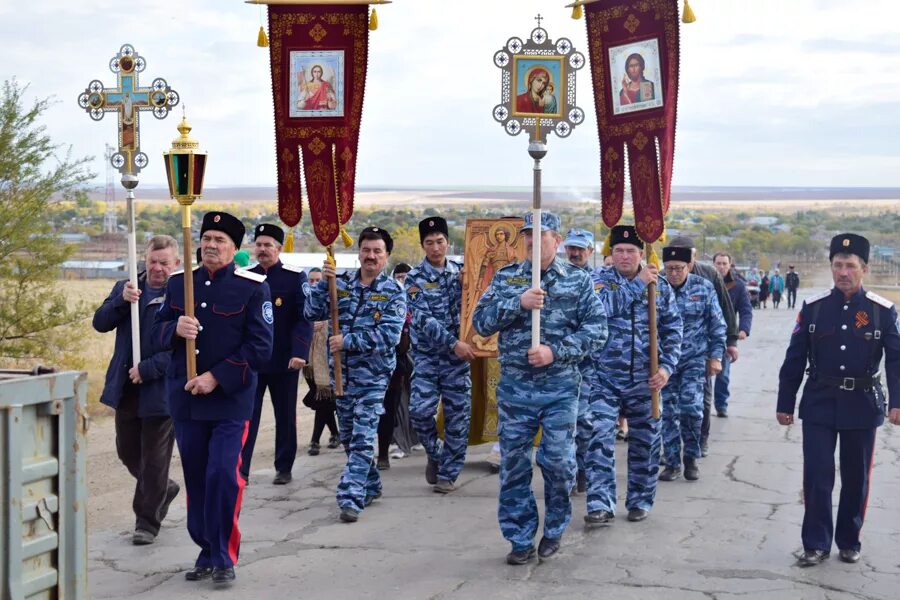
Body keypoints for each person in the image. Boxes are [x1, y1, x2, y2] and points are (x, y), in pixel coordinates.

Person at [473, 211, 607, 565]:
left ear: (557, 241)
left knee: (559, 463)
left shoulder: (578, 281)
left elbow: (597, 331)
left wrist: (554, 351)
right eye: (527, 235)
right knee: (515, 465)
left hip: (560, 387)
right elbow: (481, 323)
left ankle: (555, 527)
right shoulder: (506, 279)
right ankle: (519, 537)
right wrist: (517, 303)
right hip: (516, 387)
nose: (532, 241)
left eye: (541, 234)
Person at [152, 211, 273, 585]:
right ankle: (205, 549)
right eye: (206, 238)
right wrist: (175, 328)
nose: (211, 245)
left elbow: (261, 348)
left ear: (235, 248)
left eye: (220, 240)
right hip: (187, 399)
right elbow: (153, 334)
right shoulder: (179, 285)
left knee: (223, 474)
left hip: (230, 401)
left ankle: (224, 555)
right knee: (198, 477)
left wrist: (215, 377)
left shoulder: (253, 287)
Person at [776, 233, 900, 567]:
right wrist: (785, 402)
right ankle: (815, 543)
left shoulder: (881, 312)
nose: (842, 272)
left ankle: (849, 539)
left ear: (864, 269)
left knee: (856, 477)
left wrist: (897, 402)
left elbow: (896, 360)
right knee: (817, 475)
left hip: (862, 404)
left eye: (850, 266)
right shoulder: (814, 309)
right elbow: (794, 358)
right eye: (837, 265)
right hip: (819, 402)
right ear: (831, 267)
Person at [304, 227, 406, 523]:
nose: (370, 256)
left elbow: (389, 336)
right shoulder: (342, 282)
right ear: (359, 252)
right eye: (366, 250)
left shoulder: (393, 293)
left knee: (363, 437)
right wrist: (324, 284)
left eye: (377, 251)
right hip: (341, 376)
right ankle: (371, 484)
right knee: (349, 437)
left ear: (386, 256)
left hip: (373, 378)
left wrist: (347, 341)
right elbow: (312, 313)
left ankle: (350, 496)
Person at [584, 225, 682, 527]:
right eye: (618, 251)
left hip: (645, 379)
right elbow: (600, 310)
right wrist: (637, 285)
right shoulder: (598, 282)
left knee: (647, 443)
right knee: (599, 437)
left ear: (641, 253)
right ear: (610, 253)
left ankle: (640, 499)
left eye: (630, 251)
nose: (624, 256)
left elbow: (673, 329)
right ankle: (600, 503)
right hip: (604, 378)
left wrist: (666, 368)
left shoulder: (659, 286)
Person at [93, 235, 181, 546]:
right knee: (127, 451)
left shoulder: (184, 293)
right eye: (152, 261)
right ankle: (163, 489)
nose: (157, 268)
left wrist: (149, 368)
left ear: (177, 264)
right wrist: (121, 301)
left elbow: (184, 347)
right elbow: (100, 323)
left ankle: (147, 522)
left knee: (155, 459)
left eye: (164, 263)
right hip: (126, 386)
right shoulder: (126, 287)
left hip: (161, 389)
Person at [406, 216, 475, 493]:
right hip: (427, 357)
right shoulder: (414, 278)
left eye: (440, 242)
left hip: (458, 361)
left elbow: (477, 305)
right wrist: (453, 343)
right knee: (419, 412)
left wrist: (469, 285)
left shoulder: (463, 274)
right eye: (429, 243)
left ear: (448, 242)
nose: (436, 248)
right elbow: (421, 319)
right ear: (422, 245)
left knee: (458, 418)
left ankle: (449, 473)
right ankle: (436, 454)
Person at [240, 224, 313, 485]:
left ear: (279, 249)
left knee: (285, 417)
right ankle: (242, 469)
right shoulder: (245, 276)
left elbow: (304, 318)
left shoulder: (294, 278)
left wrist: (299, 352)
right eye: (258, 245)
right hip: (252, 363)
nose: (262, 249)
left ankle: (284, 467)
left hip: (284, 360)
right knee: (247, 416)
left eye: (267, 245)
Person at [666, 236, 739, 456]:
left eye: (683, 258)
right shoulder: (661, 281)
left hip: (699, 354)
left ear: (692, 256)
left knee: (699, 402)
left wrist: (729, 343)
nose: (676, 268)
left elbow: (723, 311)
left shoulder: (708, 276)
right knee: (668, 407)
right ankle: (670, 453)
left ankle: (700, 441)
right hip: (668, 358)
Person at [659, 246, 726, 482]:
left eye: (678, 268)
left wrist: (716, 357)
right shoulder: (656, 287)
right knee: (667, 412)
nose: (674, 273)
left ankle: (691, 457)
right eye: (669, 269)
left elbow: (717, 324)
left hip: (694, 359)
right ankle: (672, 462)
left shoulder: (703, 287)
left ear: (688, 266)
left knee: (691, 408)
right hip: (665, 361)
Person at [563, 227, 595, 493]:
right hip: (561, 364)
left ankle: (583, 469)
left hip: (589, 366)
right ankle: (569, 473)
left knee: (584, 422)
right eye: (571, 248)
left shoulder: (601, 283)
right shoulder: (557, 279)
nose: (574, 253)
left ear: (590, 251)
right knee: (564, 423)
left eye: (580, 249)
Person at [302, 267, 341, 456]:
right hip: (308, 359)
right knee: (320, 398)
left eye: (318, 280)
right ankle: (334, 433)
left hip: (327, 356)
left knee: (323, 398)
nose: (314, 283)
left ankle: (315, 439)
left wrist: (323, 324)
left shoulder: (331, 297)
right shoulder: (306, 300)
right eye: (311, 280)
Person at [712, 252, 753, 418]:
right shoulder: (705, 281)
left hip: (725, 335)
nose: (721, 267)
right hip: (705, 334)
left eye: (724, 264)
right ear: (713, 264)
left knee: (723, 374)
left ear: (730, 265)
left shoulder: (737, 286)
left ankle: (721, 405)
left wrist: (743, 329)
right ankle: (700, 405)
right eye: (718, 263)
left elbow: (746, 310)